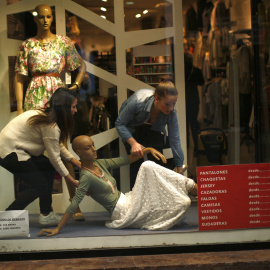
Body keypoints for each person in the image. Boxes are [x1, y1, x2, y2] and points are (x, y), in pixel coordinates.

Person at [38, 135, 197, 236]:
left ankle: (190, 186)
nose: (94, 149)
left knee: (182, 201)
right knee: (148, 167)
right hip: (124, 212)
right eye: (88, 148)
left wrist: (147, 149)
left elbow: (126, 160)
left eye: (93, 145)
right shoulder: (86, 177)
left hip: (129, 199)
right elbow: (74, 204)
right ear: (78, 153)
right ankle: (190, 185)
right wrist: (58, 228)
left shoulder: (100, 163)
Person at [14, 4, 86, 220]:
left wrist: (75, 86)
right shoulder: (27, 44)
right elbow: (19, 76)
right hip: (34, 96)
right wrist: (19, 108)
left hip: (58, 96)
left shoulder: (64, 42)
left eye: (49, 16)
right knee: (37, 154)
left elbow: (80, 66)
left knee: (63, 150)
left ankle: (75, 206)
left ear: (52, 17)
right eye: (42, 17)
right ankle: (45, 210)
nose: (46, 20)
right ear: (35, 19)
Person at [0, 88, 81, 226]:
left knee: (47, 168)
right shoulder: (51, 126)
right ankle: (5, 220)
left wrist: (77, 163)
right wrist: (71, 180)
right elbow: (55, 158)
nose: (76, 110)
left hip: (15, 149)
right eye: (73, 107)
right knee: (40, 185)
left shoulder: (47, 118)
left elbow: (56, 145)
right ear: (65, 109)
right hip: (9, 152)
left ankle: (46, 214)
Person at [115, 78, 185, 188]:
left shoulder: (171, 112)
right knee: (137, 168)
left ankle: (156, 200)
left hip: (154, 130)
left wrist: (179, 166)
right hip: (133, 130)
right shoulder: (137, 101)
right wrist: (133, 143)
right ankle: (138, 200)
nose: (171, 108)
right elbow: (120, 123)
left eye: (173, 104)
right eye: (167, 104)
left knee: (157, 167)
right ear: (157, 98)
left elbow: (174, 139)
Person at [184, 52, 204, 152]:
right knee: (194, 123)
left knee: (184, 124)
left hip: (183, 100)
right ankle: (197, 146)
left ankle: (186, 145)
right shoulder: (196, 71)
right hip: (194, 99)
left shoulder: (180, 71)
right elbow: (202, 82)